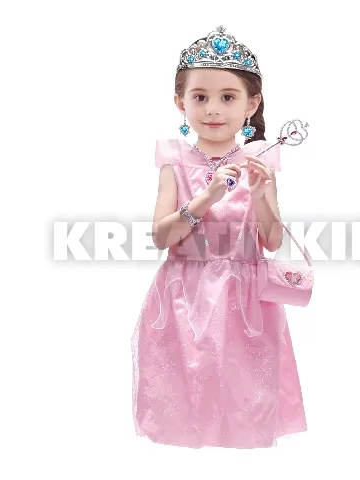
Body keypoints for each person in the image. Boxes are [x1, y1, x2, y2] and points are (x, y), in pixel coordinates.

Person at [131, 25, 307, 449]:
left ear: (252, 103)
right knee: (186, 384)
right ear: (181, 102)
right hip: (184, 293)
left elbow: (271, 241)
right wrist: (205, 198)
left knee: (243, 389)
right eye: (200, 97)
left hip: (243, 297)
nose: (213, 109)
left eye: (228, 97)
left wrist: (261, 196)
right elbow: (160, 237)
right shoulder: (175, 160)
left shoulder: (259, 159)